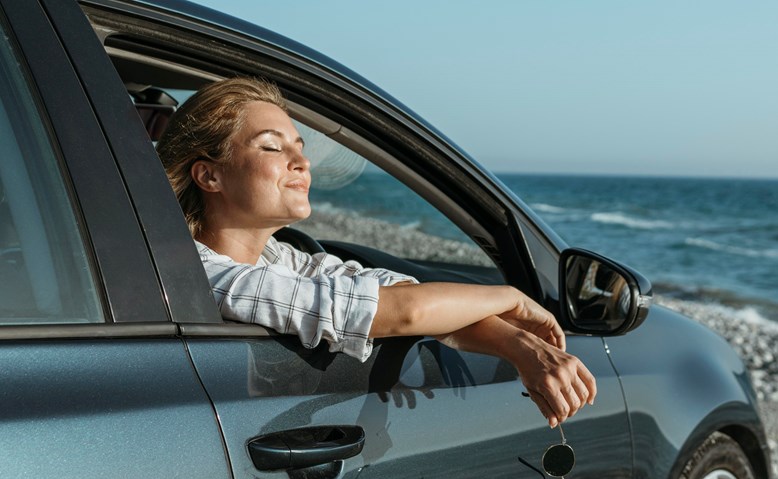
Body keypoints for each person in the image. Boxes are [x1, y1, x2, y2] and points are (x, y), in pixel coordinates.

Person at [156, 77, 596, 428]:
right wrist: (513, 298)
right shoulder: (205, 276)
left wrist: (519, 345)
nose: (301, 162)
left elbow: (399, 295)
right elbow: (395, 312)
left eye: (299, 148)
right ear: (209, 175)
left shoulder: (281, 259)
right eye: (272, 146)